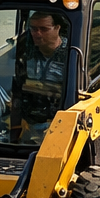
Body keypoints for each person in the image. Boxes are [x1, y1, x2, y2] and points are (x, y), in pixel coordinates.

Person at [16, 10, 69, 143]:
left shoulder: (71, 55)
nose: (37, 34)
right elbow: (16, 84)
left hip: (61, 122)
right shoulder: (25, 50)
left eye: (44, 29)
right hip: (30, 119)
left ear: (57, 28)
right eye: (33, 29)